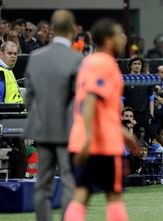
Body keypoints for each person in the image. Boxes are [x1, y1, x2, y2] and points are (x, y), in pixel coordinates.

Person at [65, 18, 139, 221]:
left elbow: (98, 107)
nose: (124, 38)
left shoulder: (87, 62)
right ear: (108, 40)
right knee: (114, 196)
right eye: (119, 34)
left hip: (80, 139)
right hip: (101, 144)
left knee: (81, 194)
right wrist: (90, 138)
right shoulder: (105, 64)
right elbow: (91, 99)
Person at [23, 10, 83, 221]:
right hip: (67, 130)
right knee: (68, 181)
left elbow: (29, 96)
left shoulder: (36, 57)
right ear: (73, 29)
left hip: (41, 128)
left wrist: (39, 117)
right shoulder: (77, 59)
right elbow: (80, 101)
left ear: (52, 28)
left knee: (42, 183)